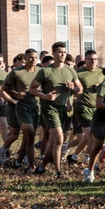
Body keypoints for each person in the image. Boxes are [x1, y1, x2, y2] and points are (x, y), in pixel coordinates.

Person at [29, 42, 81, 177]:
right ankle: (58, 172)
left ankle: (41, 167)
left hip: (65, 109)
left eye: (64, 52)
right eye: (59, 52)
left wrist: (72, 88)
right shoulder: (46, 71)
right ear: (53, 53)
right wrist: (44, 95)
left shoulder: (71, 70)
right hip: (50, 108)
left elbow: (80, 89)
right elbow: (32, 88)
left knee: (54, 142)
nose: (63, 54)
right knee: (58, 139)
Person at [3, 49, 41, 169]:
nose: (33, 60)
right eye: (30, 57)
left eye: (35, 57)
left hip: (36, 106)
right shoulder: (17, 72)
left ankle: (18, 161)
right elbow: (4, 88)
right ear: (24, 58)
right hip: (22, 106)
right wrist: (15, 93)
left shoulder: (41, 71)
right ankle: (31, 165)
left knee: (29, 138)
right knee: (29, 133)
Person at [69, 50, 105, 166]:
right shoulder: (79, 74)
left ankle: (74, 157)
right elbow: (73, 90)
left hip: (98, 109)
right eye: (90, 59)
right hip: (83, 108)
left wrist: (101, 88)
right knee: (91, 137)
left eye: (95, 59)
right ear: (85, 60)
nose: (93, 62)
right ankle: (92, 163)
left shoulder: (102, 73)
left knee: (91, 137)